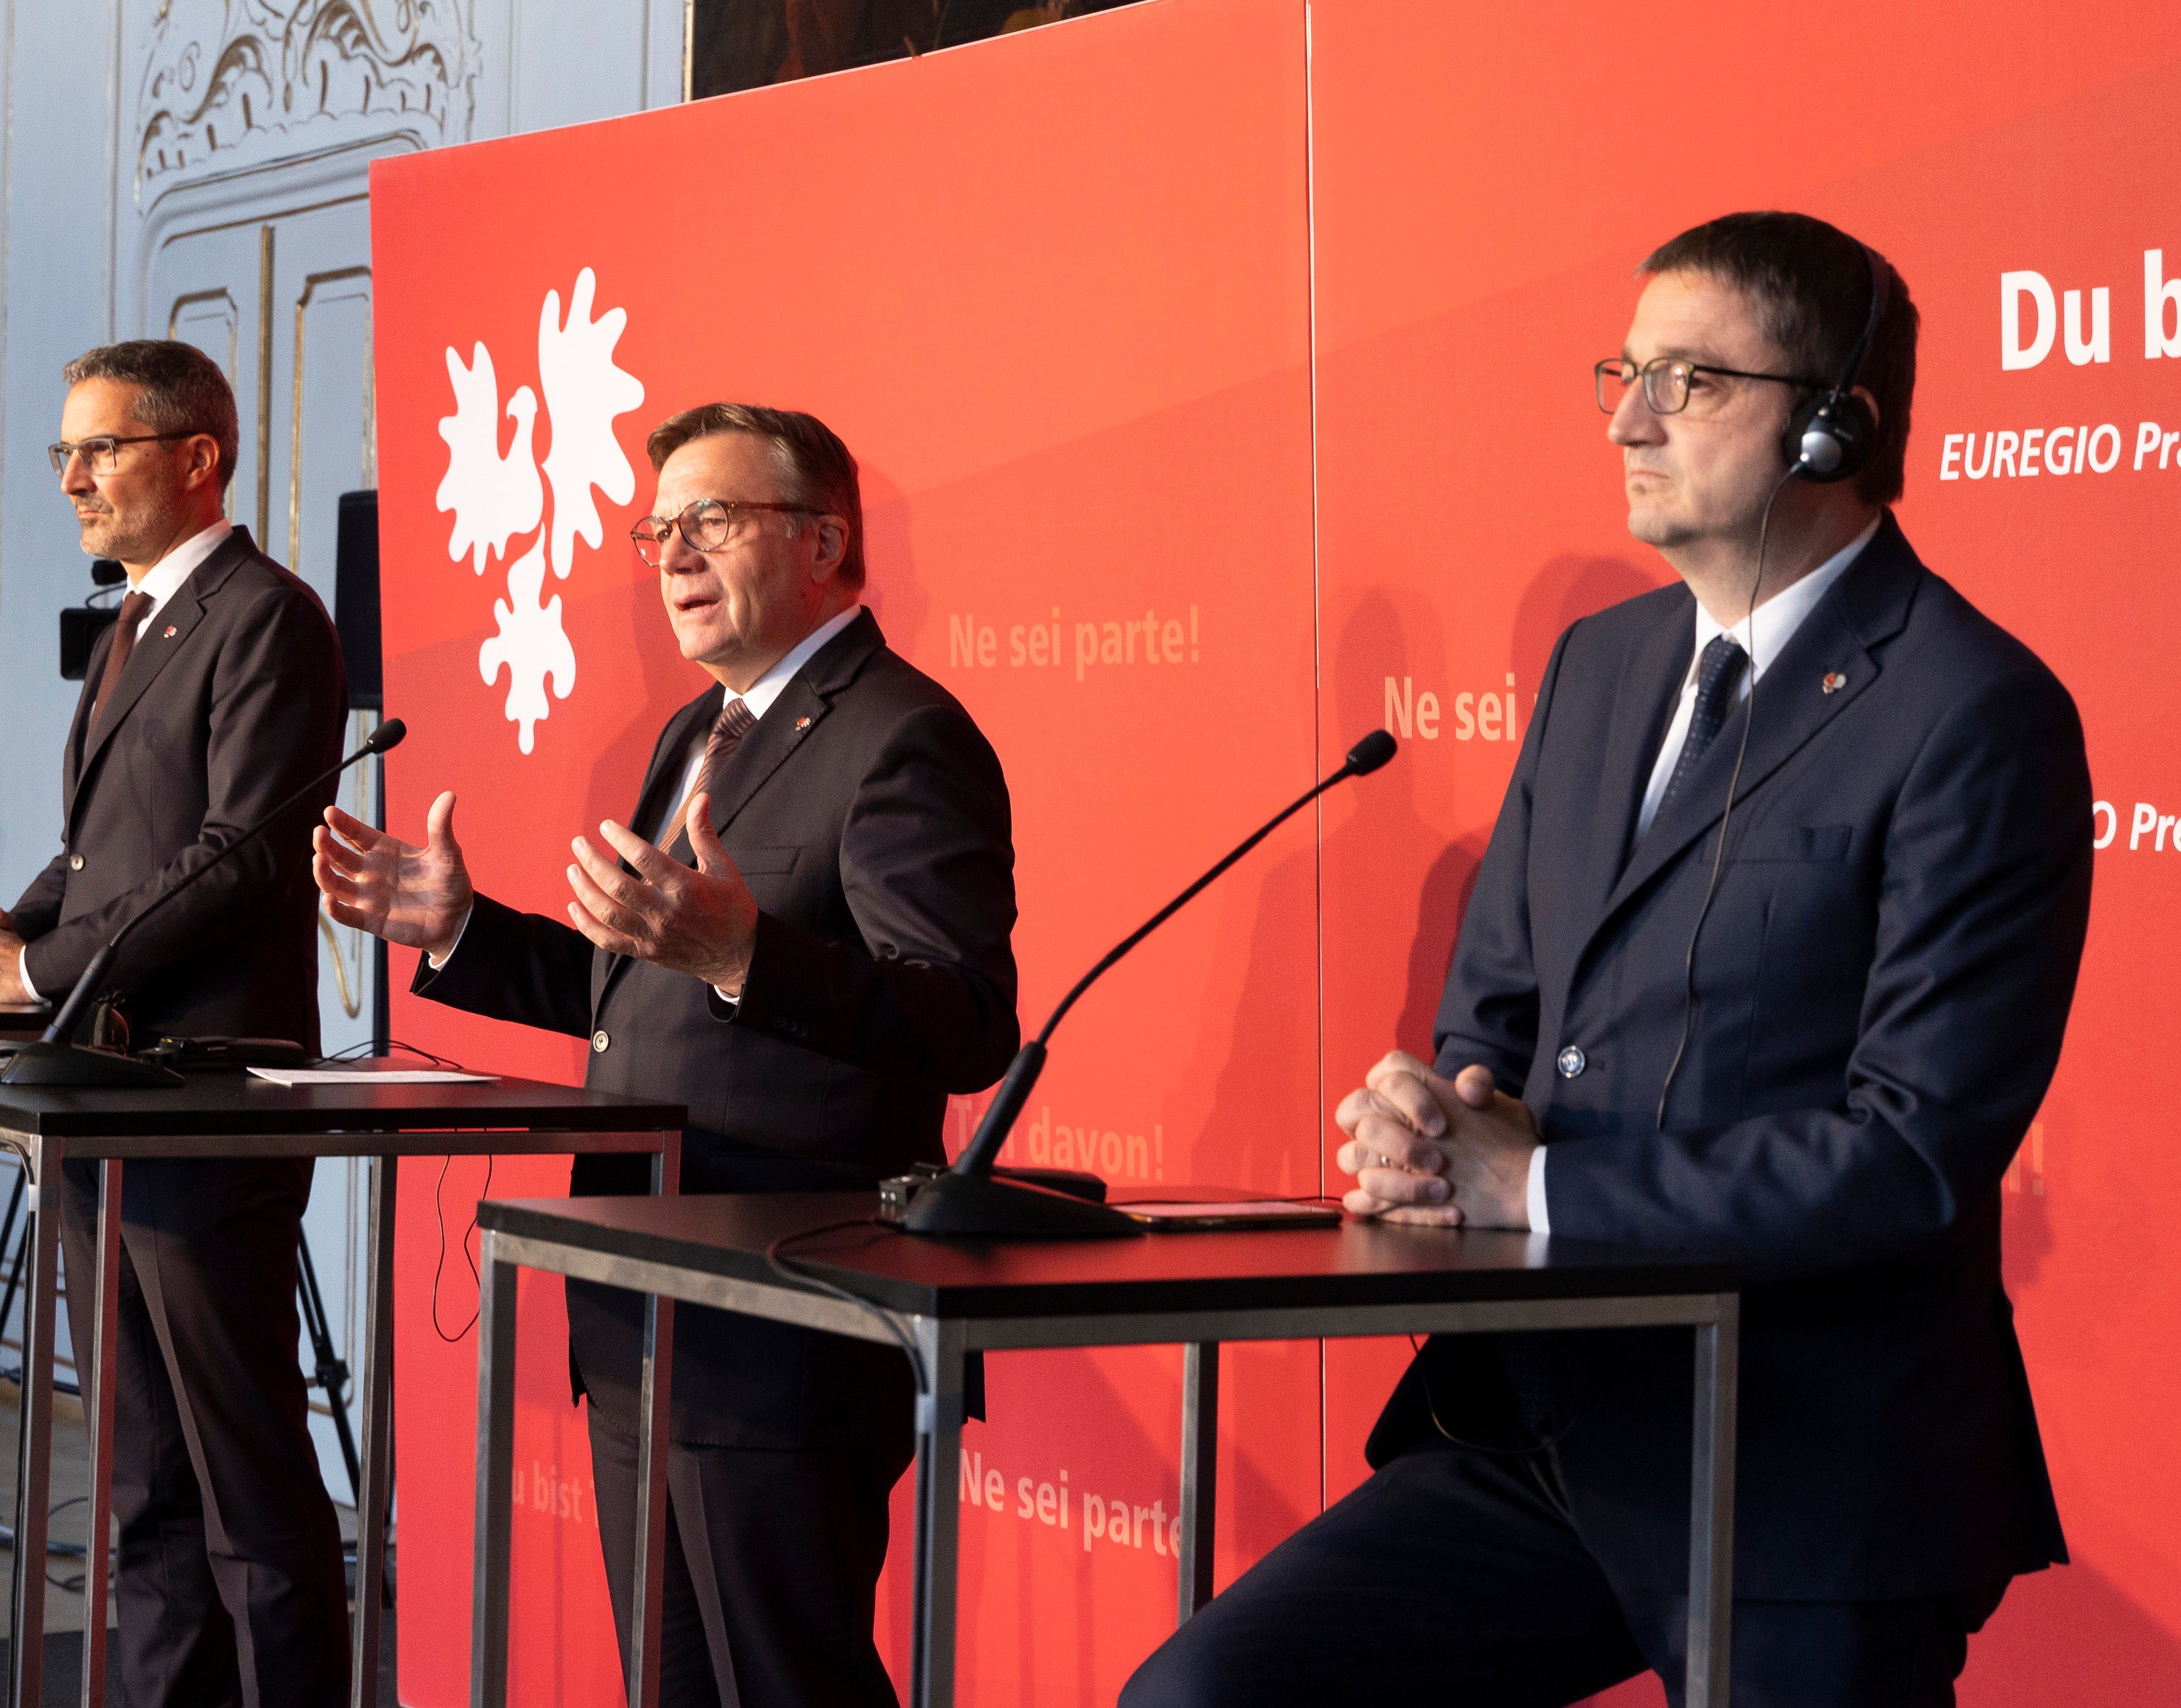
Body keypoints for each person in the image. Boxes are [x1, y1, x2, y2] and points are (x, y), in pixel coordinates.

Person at [1124, 212, 2090, 1707]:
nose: (1630, 419)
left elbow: (1908, 1154)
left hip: (1801, 1463)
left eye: (1688, 380)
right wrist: (1435, 1124)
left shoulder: (1971, 708)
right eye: (1621, 373)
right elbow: (1493, 1008)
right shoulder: (1601, 664)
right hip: (1546, 1434)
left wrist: (1538, 1185)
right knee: (1200, 1691)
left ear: (1834, 423)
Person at [313, 402, 1019, 1707]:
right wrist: (462, 929)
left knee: (785, 1686)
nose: (675, 555)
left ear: (823, 538)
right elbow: (632, 991)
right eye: (659, 530)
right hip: (637, 1303)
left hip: (782, 1326)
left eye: (712, 520)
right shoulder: (697, 730)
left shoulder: (901, 735)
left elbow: (967, 1019)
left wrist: (750, 958)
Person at [0, 340, 351, 1708]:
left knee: (242, 1478)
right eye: (64, 454)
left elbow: (240, 853)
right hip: (99, 1090)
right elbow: (100, 853)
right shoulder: (140, 619)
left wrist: (30, 977)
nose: (74, 479)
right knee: (142, 1476)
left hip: (201, 1093)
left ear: (197, 457)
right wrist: (0, 935)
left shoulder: (269, 615)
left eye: (102, 449)